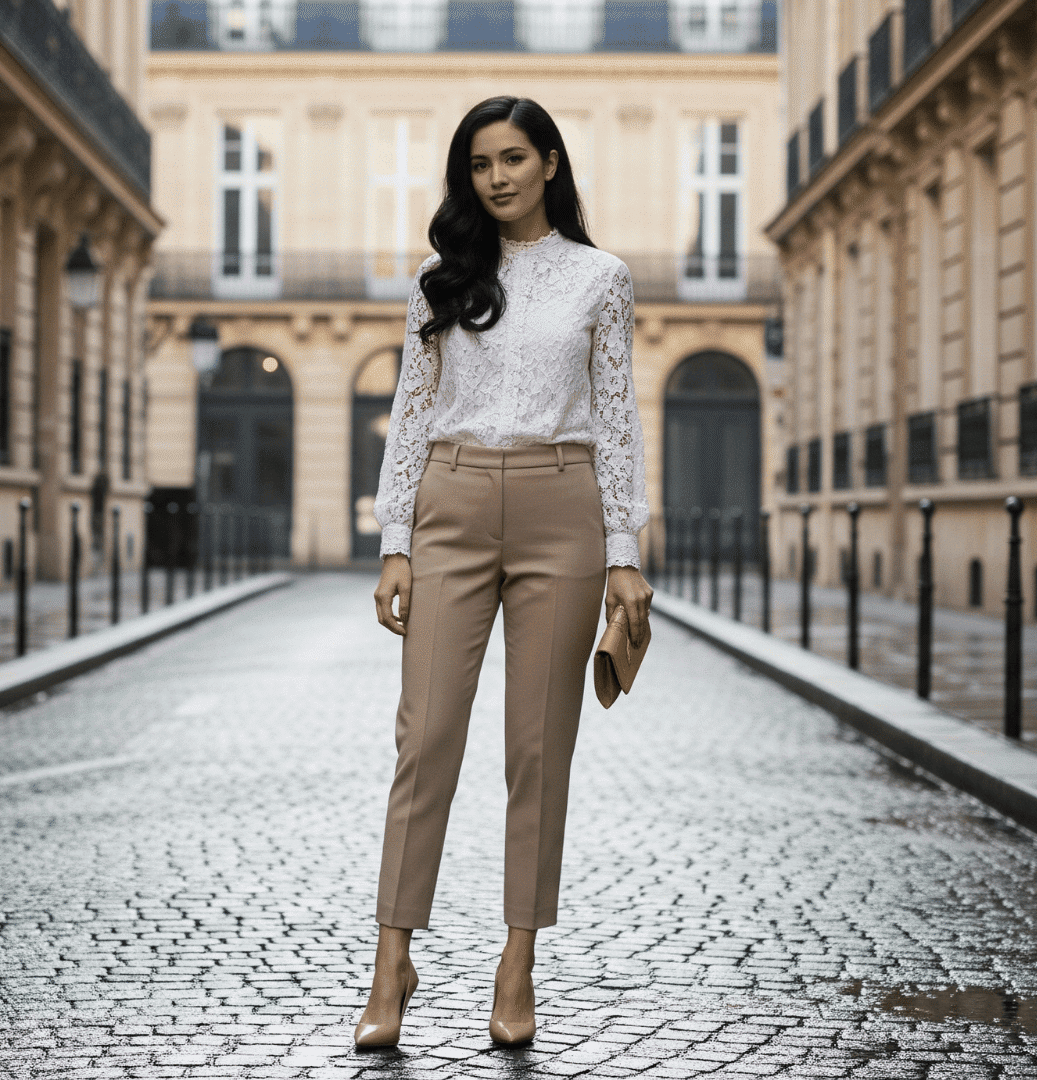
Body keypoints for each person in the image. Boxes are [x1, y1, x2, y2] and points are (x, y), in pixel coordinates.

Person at [355, 96, 653, 1049]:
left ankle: (516, 961)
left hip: (563, 507)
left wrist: (623, 554)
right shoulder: (441, 281)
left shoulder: (601, 279)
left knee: (538, 750)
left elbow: (615, 418)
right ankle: (390, 961)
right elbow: (412, 408)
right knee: (426, 737)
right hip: (450, 498)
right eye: (481, 163)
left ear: (551, 164)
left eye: (515, 158)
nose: (498, 177)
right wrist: (394, 535)